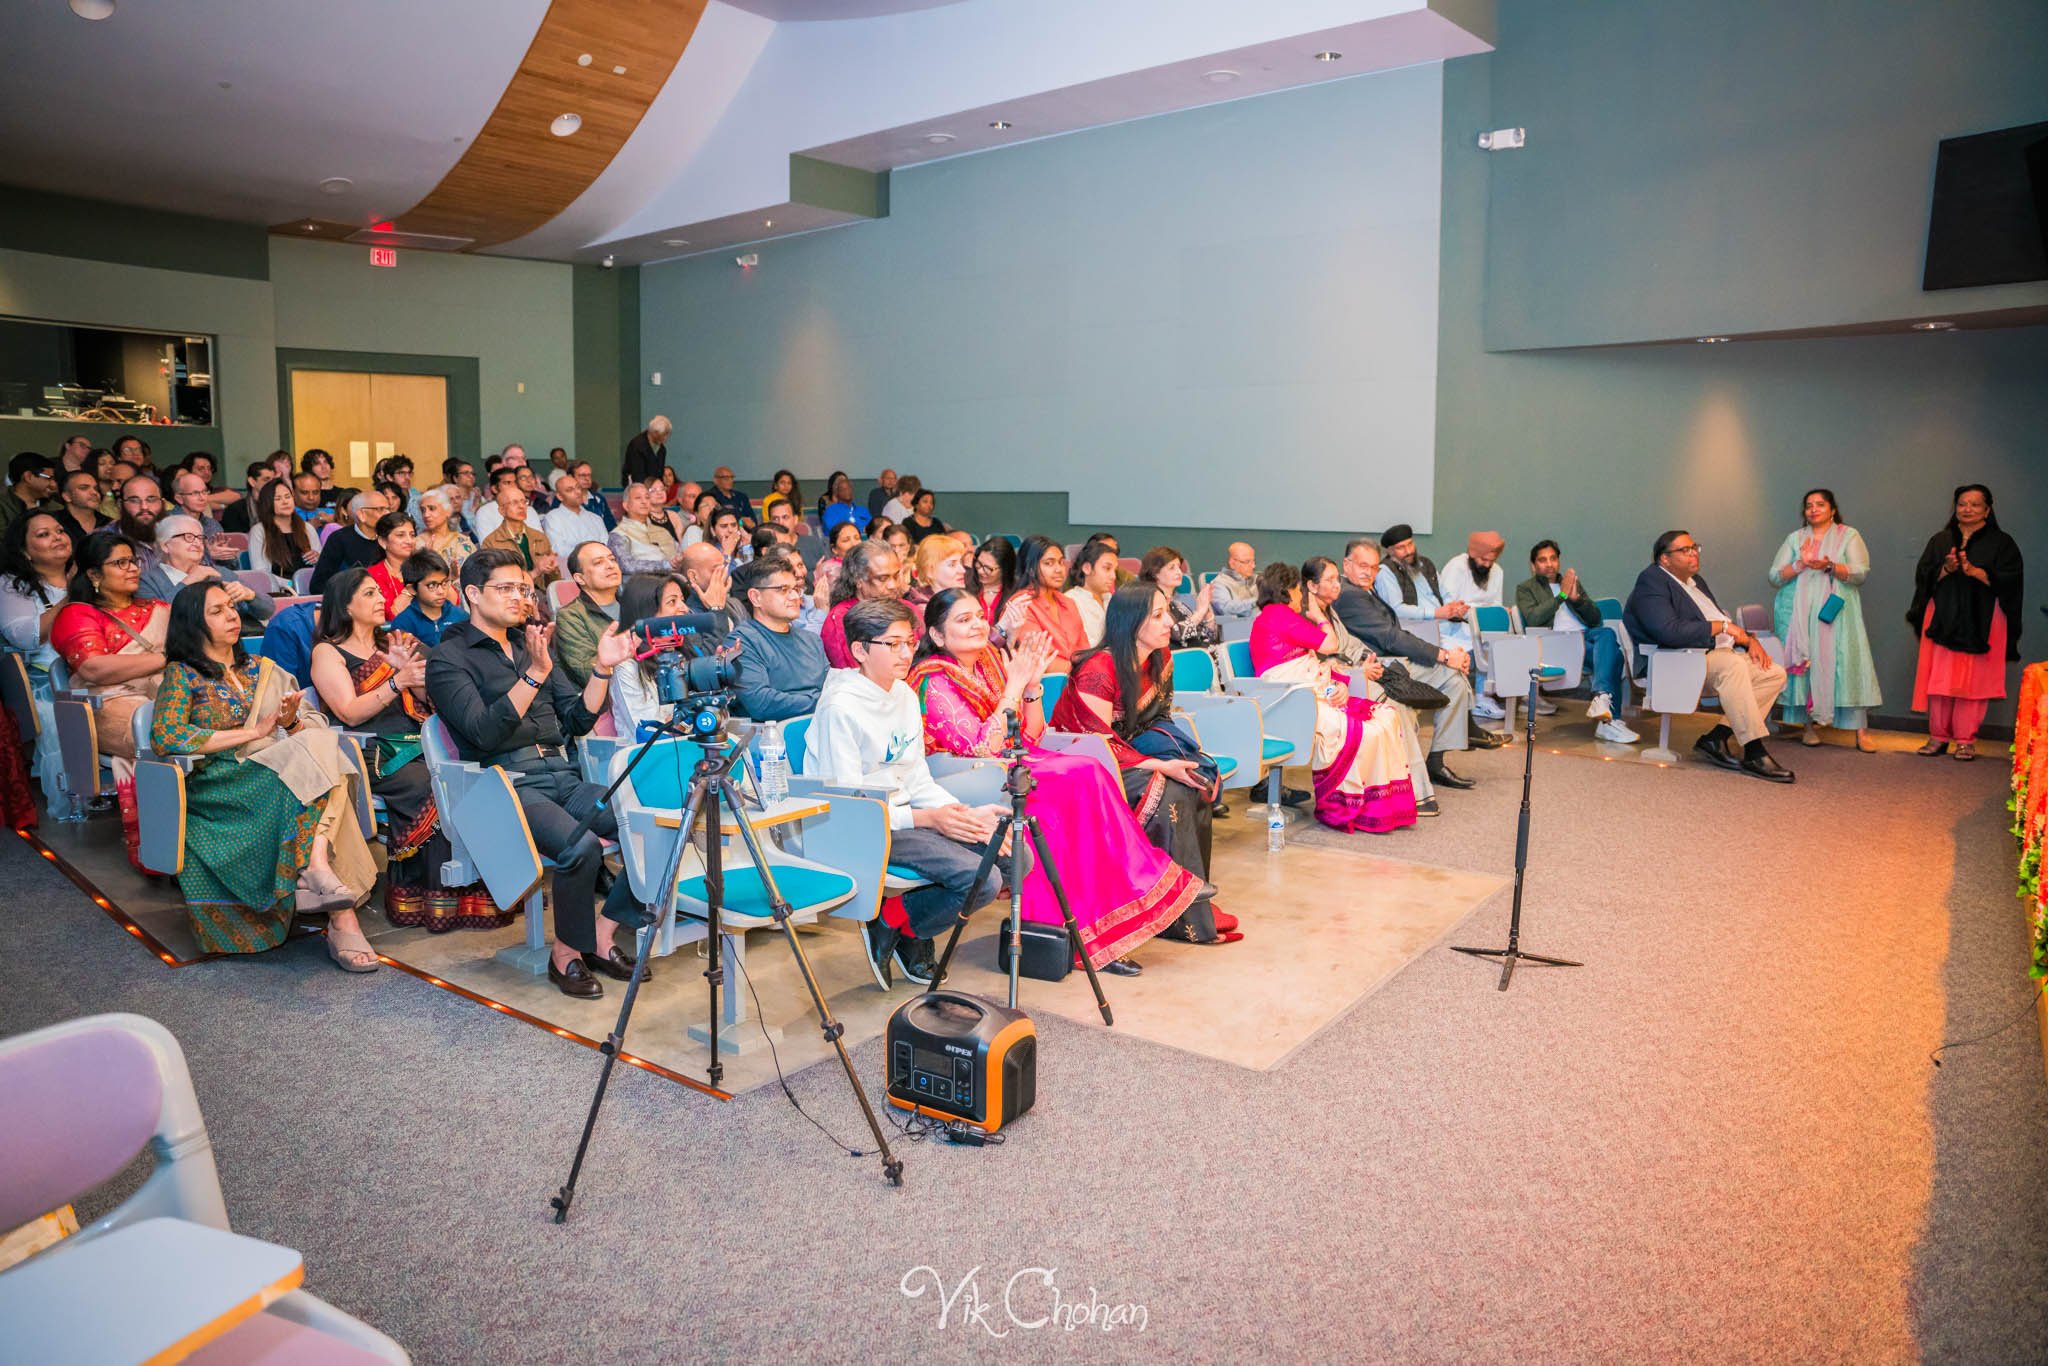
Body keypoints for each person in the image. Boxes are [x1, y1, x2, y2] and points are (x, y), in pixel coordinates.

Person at [913, 588, 1196, 973]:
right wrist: (1014, 688)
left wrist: (1030, 690)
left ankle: (1110, 914)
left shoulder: (991, 662)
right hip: (966, 777)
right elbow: (979, 748)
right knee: (1061, 794)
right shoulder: (933, 679)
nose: (978, 624)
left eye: (980, 615)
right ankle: (1071, 929)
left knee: (1089, 771)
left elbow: (1030, 735)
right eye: (963, 620)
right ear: (937, 635)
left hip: (1011, 764)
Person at [426, 549, 645, 997]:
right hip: (505, 784)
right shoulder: (449, 658)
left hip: (562, 774)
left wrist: (602, 669)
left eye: (523, 589)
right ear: (471, 593)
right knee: (580, 847)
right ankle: (565, 955)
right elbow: (484, 733)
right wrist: (533, 676)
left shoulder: (532, 648)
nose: (519, 598)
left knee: (650, 827)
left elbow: (578, 719)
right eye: (505, 588)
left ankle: (602, 936)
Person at [151, 582, 380, 967]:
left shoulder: (262, 669)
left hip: (277, 769)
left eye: (232, 607)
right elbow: (167, 735)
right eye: (217, 611)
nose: (231, 616)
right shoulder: (183, 675)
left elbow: (302, 727)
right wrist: (253, 733)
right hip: (221, 783)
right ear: (193, 622)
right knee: (325, 768)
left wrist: (288, 725)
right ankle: (335, 905)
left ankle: (319, 871)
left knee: (321, 745)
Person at [803, 599, 1006, 986]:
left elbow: (917, 778)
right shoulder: (841, 708)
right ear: (860, 650)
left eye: (909, 643)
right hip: (865, 827)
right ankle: (900, 923)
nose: (905, 653)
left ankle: (903, 923)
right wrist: (930, 820)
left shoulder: (903, 695)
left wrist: (960, 812)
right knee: (984, 879)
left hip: (906, 814)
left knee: (1016, 855)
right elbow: (850, 806)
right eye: (891, 644)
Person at [1051, 584, 1235, 944]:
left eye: (1167, 611)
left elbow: (1158, 718)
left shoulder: (1160, 655)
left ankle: (1181, 902)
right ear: (1131, 623)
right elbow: (1096, 745)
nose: (1169, 621)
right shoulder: (1099, 669)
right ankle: (1165, 905)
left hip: (1132, 753)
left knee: (1194, 779)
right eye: (1157, 615)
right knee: (1168, 792)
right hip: (1085, 767)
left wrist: (1176, 756)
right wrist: (1158, 765)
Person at [307, 567, 451, 924]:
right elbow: (349, 713)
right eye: (369, 594)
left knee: (465, 774)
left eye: (379, 592)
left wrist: (414, 682)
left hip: (419, 740)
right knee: (428, 784)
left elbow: (433, 701)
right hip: (369, 751)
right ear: (345, 605)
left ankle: (468, 888)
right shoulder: (328, 653)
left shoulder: (397, 641)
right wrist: (397, 681)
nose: (382, 599)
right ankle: (421, 894)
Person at [1250, 563, 1417, 833]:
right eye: (1298, 590)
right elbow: (1330, 645)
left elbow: (1310, 662)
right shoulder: (1279, 615)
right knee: (1364, 730)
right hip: (1290, 703)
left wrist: (1336, 685)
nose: (1301, 596)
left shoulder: (1279, 615)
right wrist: (1318, 616)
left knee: (1386, 716)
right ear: (1288, 590)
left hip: (1306, 694)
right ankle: (1351, 807)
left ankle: (1380, 805)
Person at [1333, 537, 1502, 790]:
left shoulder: (1365, 590)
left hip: (1395, 662)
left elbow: (1395, 632)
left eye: (1374, 567)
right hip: (1379, 669)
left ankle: (1437, 760)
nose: (1369, 572)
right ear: (1347, 565)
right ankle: (1424, 771)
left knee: (1454, 680)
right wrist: (1443, 655)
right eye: (1362, 566)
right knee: (1450, 671)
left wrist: (1445, 655)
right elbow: (1390, 637)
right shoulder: (1349, 595)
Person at [1624, 530, 1792, 782]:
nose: (1693, 553)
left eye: (1694, 547)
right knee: (1732, 666)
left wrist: (1748, 640)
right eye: (1684, 550)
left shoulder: (1695, 582)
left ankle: (1717, 737)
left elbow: (1719, 620)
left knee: (1773, 673)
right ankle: (1754, 752)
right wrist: (1724, 628)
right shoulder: (1651, 582)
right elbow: (1668, 631)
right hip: (1673, 660)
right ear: (1664, 559)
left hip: (1710, 656)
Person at [52, 536, 169, 858]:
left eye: (133, 561)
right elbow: (94, 668)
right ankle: (164, 845)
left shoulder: (159, 610)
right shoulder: (78, 614)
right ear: (93, 575)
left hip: (165, 694)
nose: (132, 568)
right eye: (120, 563)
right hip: (108, 704)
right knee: (163, 734)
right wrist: (163, 659)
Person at [1300, 556, 1440, 816]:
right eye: (1329, 580)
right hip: (1332, 684)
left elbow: (1350, 644)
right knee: (1396, 708)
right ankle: (1416, 793)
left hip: (1353, 674)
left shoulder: (1328, 610)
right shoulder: (1308, 615)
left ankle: (1406, 788)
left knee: (1405, 709)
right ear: (1311, 585)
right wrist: (1358, 670)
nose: (1336, 585)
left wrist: (1366, 660)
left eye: (1336, 579)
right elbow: (1319, 659)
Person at [1909, 483, 2023, 761]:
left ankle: (1965, 740)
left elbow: (2011, 579)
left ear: (1987, 509)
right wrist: (1945, 569)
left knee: (1974, 683)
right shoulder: (1940, 539)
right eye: (1962, 504)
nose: (1967, 509)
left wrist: (1976, 571)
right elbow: (1923, 576)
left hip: (1984, 620)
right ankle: (1937, 737)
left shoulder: (2002, 542)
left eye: (1974, 504)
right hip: (1942, 618)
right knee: (1940, 680)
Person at [1766, 489, 1881, 751]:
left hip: (1836, 615)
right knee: (1806, 663)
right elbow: (1774, 576)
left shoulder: (1848, 535)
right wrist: (1801, 564)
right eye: (1808, 506)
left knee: (1847, 665)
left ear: (1832, 509)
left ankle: (1860, 732)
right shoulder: (1795, 539)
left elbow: (1860, 572)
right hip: (1800, 617)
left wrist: (1830, 566)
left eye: (1820, 504)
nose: (1813, 509)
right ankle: (1808, 726)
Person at [1512, 540, 1638, 744]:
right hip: (1556, 643)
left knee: (1606, 636)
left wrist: (1577, 599)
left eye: (1553, 558)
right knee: (1614, 655)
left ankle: (1602, 699)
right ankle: (1609, 720)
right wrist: (1561, 595)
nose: (1549, 564)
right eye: (1543, 560)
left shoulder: (1572, 583)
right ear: (1533, 565)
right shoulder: (1526, 589)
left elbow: (1595, 619)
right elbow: (1534, 618)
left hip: (1583, 638)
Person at [0, 511, 75, 800]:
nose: (57, 537)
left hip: (91, 670)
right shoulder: (12, 584)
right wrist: (72, 594)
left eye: (59, 531)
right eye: (43, 534)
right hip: (41, 682)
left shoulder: (91, 573)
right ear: (25, 551)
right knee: (56, 717)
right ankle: (71, 798)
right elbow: (26, 637)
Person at [731, 553, 828, 722]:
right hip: (771, 740)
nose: (794, 597)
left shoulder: (812, 641)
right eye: (783, 590)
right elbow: (761, 703)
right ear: (756, 597)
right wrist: (820, 701)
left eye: (796, 590)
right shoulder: (743, 641)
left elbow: (832, 687)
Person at [143, 514, 272, 630]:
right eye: (188, 537)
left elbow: (268, 610)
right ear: (165, 545)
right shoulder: (147, 581)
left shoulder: (219, 573)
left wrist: (251, 596)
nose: (197, 543)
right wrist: (187, 581)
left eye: (200, 538)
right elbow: (154, 622)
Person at [1436, 531, 1509, 719]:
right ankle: (1476, 700)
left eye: (1491, 560)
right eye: (1483, 559)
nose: (1487, 564)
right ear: (1472, 554)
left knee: (1500, 641)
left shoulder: (1497, 571)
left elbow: (1495, 605)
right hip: (1452, 629)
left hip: (1482, 628)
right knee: (1478, 644)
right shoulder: (1456, 567)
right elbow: (1449, 605)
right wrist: (1479, 611)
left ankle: (1485, 697)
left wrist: (1497, 613)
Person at [607, 571, 691, 734]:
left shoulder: (682, 652)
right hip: (649, 756)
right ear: (646, 612)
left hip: (688, 749)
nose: (684, 608)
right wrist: (685, 723)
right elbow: (650, 732)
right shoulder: (627, 667)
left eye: (682, 600)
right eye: (672, 602)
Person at [997, 536, 1089, 670]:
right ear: (1030, 569)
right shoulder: (1022, 604)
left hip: (1076, 679)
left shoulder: (1068, 603)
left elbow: (1084, 650)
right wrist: (1084, 671)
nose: (1058, 569)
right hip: (1041, 685)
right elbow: (1040, 662)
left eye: (1060, 562)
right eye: (1049, 563)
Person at [550, 541, 623, 686]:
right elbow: (586, 671)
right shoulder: (570, 616)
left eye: (612, 559)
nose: (610, 565)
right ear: (580, 578)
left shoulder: (636, 605)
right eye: (598, 563)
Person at [822, 539, 904, 668]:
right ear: (858, 580)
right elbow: (853, 675)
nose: (893, 585)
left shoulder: (907, 608)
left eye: (896, 576)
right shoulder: (842, 619)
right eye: (882, 578)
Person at [477, 477, 559, 588]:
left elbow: (554, 582)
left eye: (524, 501)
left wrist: (552, 569)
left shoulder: (538, 537)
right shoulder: (492, 543)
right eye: (514, 503)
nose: (521, 506)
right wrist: (535, 573)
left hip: (542, 594)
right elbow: (498, 583)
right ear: (501, 510)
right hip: (511, 596)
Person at [1138, 546, 1220, 648]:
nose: (1179, 572)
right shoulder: (1148, 603)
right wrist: (1199, 613)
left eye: (1179, 567)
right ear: (1155, 573)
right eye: (1172, 568)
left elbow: (1210, 638)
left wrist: (1207, 615)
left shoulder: (1179, 605)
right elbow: (1174, 634)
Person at [309, 490, 388, 593]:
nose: (387, 514)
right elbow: (319, 584)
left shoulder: (390, 538)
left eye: (388, 509)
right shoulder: (339, 539)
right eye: (381, 509)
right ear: (361, 514)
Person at [247, 478, 316, 592]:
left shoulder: (307, 528)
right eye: (278, 499)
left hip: (308, 588)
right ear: (268, 503)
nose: (285, 502)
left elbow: (321, 567)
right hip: (279, 591)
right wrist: (293, 583)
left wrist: (317, 559)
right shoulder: (259, 531)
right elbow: (262, 574)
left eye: (288, 497)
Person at [388, 548, 467, 647]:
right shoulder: (403, 624)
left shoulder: (460, 616)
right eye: (432, 585)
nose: (441, 591)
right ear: (412, 589)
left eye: (444, 583)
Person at [101, 474, 167, 572]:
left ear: (163, 504)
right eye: (134, 501)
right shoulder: (101, 540)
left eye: (151, 499)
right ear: (120, 505)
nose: (144, 507)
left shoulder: (178, 533)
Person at [541, 468, 608, 560]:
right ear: (560, 496)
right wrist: (591, 555)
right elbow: (558, 550)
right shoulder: (553, 518)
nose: (578, 492)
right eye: (570, 490)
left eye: (578, 487)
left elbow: (607, 546)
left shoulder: (596, 518)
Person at [1063, 540, 1120, 647]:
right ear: (1087, 568)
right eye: (1107, 568)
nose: (1113, 576)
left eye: (1114, 570)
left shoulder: (1111, 599)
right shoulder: (1070, 600)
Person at [415, 487, 476, 576]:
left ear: (448, 511)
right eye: (423, 510)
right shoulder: (416, 544)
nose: (426, 515)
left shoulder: (463, 541)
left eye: (432, 508)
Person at [903, 533, 969, 612]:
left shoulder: (957, 599)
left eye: (960, 562)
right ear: (930, 571)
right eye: (952, 564)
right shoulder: (923, 611)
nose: (963, 570)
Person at [813, 519, 864, 613]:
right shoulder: (829, 569)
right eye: (846, 540)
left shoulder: (868, 564)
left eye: (857, 538)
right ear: (834, 549)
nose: (854, 544)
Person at [0, 452, 58, 534]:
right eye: (49, 478)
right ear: (28, 477)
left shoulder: (55, 508)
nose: (54, 485)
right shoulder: (3, 506)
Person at [969, 536, 1019, 625]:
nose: (980, 571)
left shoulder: (1017, 591)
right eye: (979, 563)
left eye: (988, 568)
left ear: (1005, 569)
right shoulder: (965, 582)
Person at [218, 459, 274, 535]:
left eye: (273, 480)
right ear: (252, 482)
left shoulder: (278, 505)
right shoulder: (235, 510)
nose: (272, 484)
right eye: (266, 480)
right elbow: (235, 540)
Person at [54, 470, 107, 546]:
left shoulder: (109, 523)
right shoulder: (53, 521)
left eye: (96, 488)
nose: (94, 493)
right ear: (67, 496)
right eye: (84, 488)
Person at [622, 416, 672, 484]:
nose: (666, 438)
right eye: (664, 435)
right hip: (637, 487)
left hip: (653, 487)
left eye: (667, 434)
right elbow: (637, 475)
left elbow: (659, 474)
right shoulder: (637, 446)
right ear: (654, 433)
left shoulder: (662, 449)